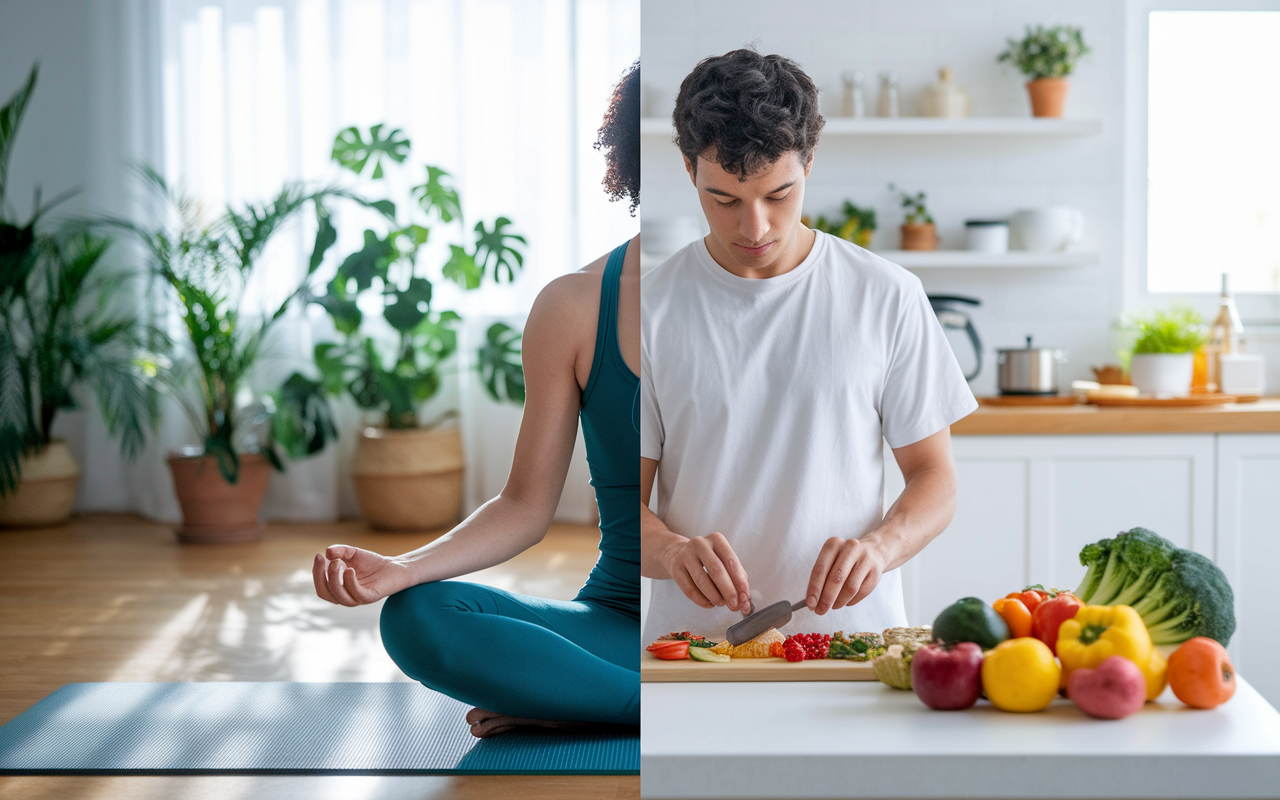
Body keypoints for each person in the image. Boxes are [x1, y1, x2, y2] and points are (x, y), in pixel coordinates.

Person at [314, 60, 641, 738]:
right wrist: (400, 569)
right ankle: (640, 704)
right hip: (623, 623)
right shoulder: (577, 304)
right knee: (416, 616)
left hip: (751, 622)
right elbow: (524, 505)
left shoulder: (782, 299)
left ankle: (591, 703)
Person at [640, 49, 977, 644]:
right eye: (724, 200)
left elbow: (934, 477)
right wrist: (669, 553)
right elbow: (620, 507)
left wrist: (882, 546)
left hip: (850, 646)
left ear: (810, 162)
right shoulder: (646, 310)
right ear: (690, 169)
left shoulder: (886, 295)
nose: (755, 228)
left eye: (778, 195)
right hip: (691, 654)